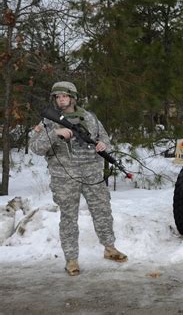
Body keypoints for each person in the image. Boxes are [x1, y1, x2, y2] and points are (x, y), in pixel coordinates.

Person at [30, 81, 127, 276]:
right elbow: (35, 147)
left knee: (102, 211)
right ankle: (71, 260)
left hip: (92, 172)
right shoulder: (48, 122)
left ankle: (109, 248)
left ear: (73, 97)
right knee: (69, 218)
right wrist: (54, 133)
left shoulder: (89, 117)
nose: (61, 100)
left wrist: (102, 145)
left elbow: (105, 138)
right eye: (57, 97)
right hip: (65, 177)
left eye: (64, 96)